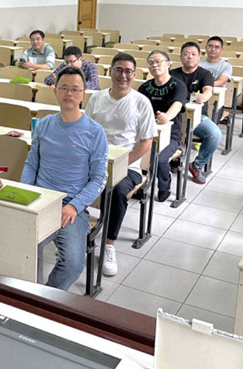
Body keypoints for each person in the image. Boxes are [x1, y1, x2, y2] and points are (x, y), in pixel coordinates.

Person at [21, 66, 107, 290]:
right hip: (40, 199)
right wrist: (25, 192)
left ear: (83, 94)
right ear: (55, 91)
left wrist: (75, 206)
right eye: (64, 88)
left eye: (75, 89)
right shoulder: (44, 124)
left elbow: (99, 178)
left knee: (72, 263)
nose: (69, 93)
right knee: (23, 250)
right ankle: (25, 295)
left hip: (71, 205)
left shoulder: (95, 132)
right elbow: (31, 163)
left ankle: (46, 298)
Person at [85, 53, 156, 276]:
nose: (123, 75)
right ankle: (74, 233)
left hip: (128, 166)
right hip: (96, 162)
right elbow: (87, 132)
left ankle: (109, 244)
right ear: (110, 72)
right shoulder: (97, 98)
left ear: (134, 75)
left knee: (117, 192)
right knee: (66, 179)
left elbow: (146, 143)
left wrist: (121, 164)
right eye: (118, 70)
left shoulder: (141, 102)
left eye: (128, 71)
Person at [138, 50, 187, 202]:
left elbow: (177, 106)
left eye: (158, 61)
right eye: (151, 63)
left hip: (170, 135)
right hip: (147, 133)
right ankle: (138, 184)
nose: (155, 65)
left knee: (159, 160)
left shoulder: (178, 85)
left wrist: (166, 117)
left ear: (168, 64)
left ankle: (164, 187)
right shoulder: (144, 87)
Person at [170, 42, 221, 185]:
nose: (190, 57)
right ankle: (173, 157)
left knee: (215, 134)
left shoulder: (205, 74)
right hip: (174, 116)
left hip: (197, 117)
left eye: (193, 54)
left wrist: (204, 97)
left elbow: (208, 89)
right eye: (186, 54)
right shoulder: (172, 74)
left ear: (199, 57)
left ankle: (197, 164)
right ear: (181, 57)